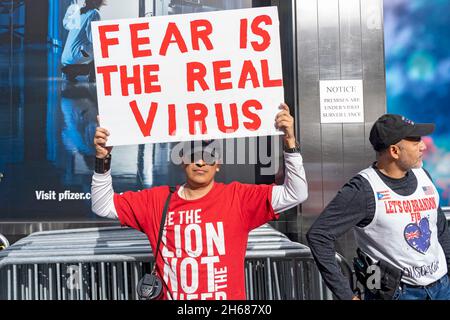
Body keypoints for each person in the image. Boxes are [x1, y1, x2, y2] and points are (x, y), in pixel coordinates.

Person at [91, 103, 308, 300]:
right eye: (193, 154)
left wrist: (290, 142)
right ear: (182, 161)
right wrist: (102, 159)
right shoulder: (156, 200)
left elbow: (296, 194)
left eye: (210, 155)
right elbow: (103, 205)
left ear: (218, 164)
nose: (202, 162)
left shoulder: (238, 197)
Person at [307, 114, 450, 300]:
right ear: (394, 151)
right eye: (415, 142)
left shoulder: (423, 176)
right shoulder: (363, 189)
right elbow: (318, 235)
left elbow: (440, 229)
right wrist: (347, 295)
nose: (423, 146)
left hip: (442, 287)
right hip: (397, 294)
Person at [61, 0, 106, 82]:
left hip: (67, 57)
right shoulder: (94, 14)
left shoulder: (81, 12)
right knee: (102, 48)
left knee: (93, 48)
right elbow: (93, 38)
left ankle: (71, 70)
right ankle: (91, 74)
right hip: (76, 55)